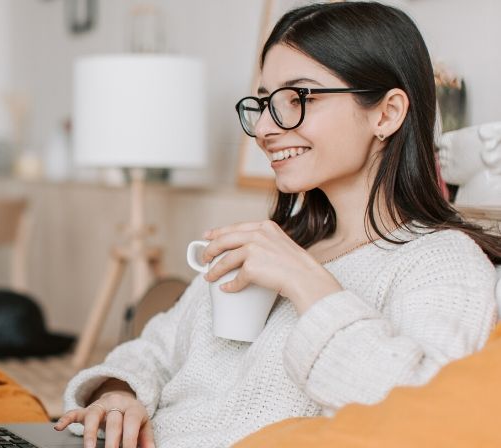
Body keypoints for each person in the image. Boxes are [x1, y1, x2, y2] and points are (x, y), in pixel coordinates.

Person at [53, 2, 501, 448]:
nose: (265, 127)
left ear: (386, 114)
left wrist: (307, 283)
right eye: (265, 102)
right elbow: (154, 349)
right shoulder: (276, 243)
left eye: (297, 98)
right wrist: (119, 393)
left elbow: (421, 416)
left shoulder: (440, 262)